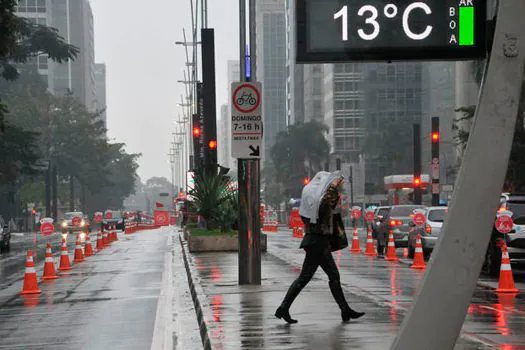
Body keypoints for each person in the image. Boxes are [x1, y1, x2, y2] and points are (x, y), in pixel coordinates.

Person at [275, 171, 365, 324]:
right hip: (318, 242)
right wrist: (334, 195)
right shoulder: (322, 202)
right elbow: (329, 210)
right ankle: (284, 308)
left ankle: (345, 310)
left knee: (328, 276)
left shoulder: (310, 205)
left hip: (315, 241)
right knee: (314, 277)